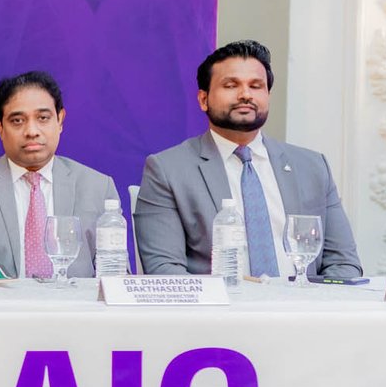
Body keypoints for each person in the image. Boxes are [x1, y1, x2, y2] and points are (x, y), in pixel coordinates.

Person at [134, 40, 361, 278]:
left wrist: (309, 299)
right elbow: (165, 271)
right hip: (220, 301)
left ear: (268, 95)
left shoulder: (312, 167)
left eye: (256, 86)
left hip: (301, 300)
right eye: (231, 85)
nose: (245, 95)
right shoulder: (168, 170)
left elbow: (344, 264)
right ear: (203, 99)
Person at [0, 71, 119, 279]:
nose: (32, 131)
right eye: (17, 121)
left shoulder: (98, 187)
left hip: (76, 300)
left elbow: (115, 278)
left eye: (43, 118)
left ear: (60, 120)